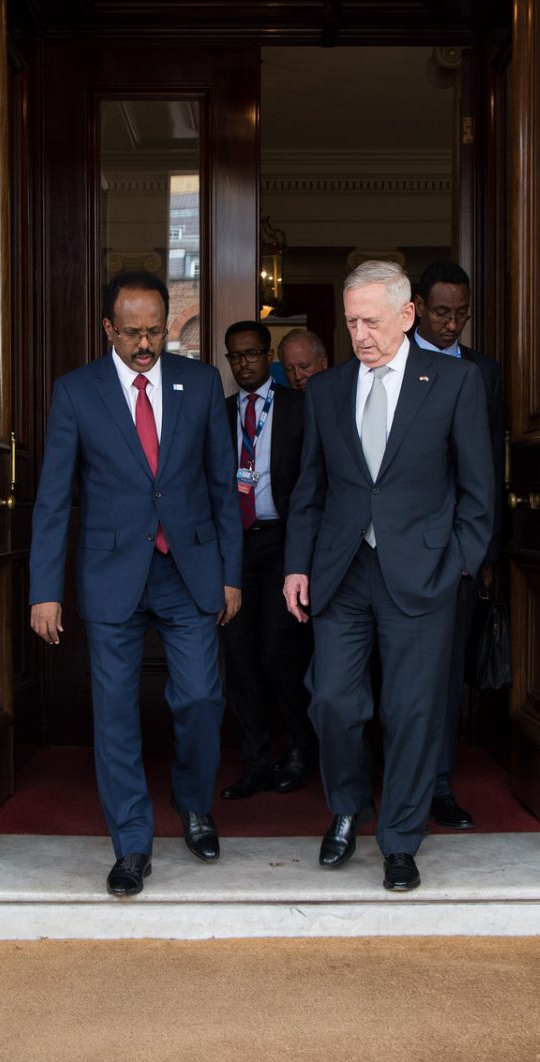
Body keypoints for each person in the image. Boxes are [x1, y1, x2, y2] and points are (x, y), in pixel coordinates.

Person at [28, 270, 243, 898]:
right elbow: (51, 499)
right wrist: (47, 588)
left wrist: (230, 574)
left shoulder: (199, 383)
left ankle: (194, 804)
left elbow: (221, 489)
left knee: (202, 698)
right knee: (115, 713)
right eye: (132, 333)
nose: (145, 344)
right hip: (110, 574)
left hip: (188, 570)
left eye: (154, 331)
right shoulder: (75, 392)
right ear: (108, 329)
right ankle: (131, 844)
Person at [282, 260, 492, 892]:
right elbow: (309, 489)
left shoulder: (455, 383)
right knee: (333, 701)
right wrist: (297, 563)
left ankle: (400, 840)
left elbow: (478, 490)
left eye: (371, 320)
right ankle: (348, 807)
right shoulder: (327, 389)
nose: (360, 334)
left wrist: (459, 563)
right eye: (351, 322)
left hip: (423, 574)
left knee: (412, 711)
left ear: (407, 316)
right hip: (342, 572)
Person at [410, 261, 506, 831]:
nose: (453, 324)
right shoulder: (389, 363)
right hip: (394, 545)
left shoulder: (483, 373)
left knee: (445, 674)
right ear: (417, 307)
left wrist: (481, 554)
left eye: (462, 314)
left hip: (456, 551)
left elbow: (487, 466)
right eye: (443, 312)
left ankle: (438, 783)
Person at [217, 320, 317, 801]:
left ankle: (302, 748)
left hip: (284, 543)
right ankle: (255, 761)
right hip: (235, 546)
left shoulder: (302, 407)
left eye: (252, 354)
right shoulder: (219, 413)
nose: (244, 363)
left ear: (268, 354)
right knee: (238, 658)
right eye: (235, 356)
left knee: (280, 652)